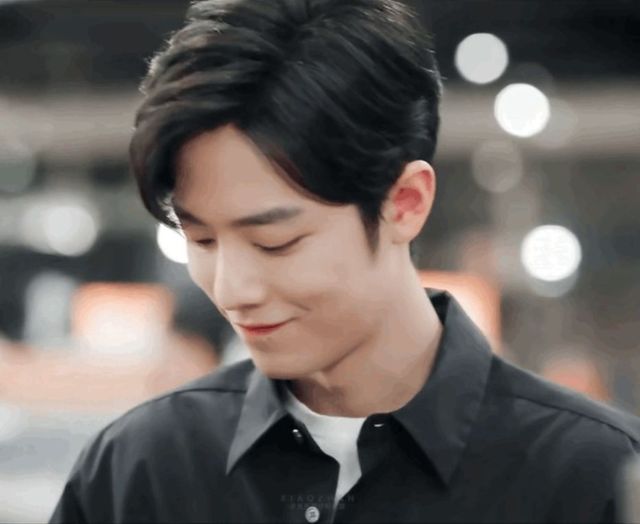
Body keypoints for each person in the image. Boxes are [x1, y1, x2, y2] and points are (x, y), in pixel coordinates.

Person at [50, 0, 640, 522]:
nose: (232, 290)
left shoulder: (591, 476)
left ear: (405, 203)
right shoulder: (138, 471)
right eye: (200, 240)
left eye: (276, 242)